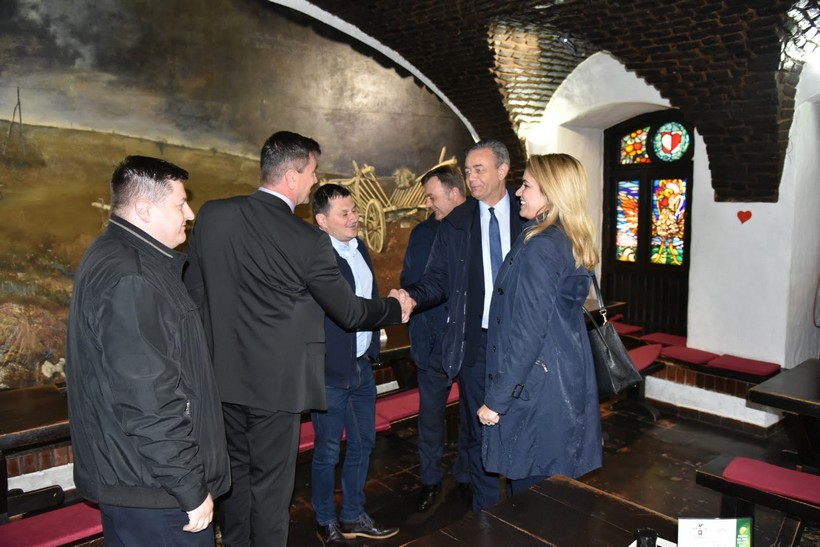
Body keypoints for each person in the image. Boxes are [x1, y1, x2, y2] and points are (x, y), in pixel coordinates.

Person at [183, 131, 409, 547]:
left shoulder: (213, 215)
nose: (314, 179)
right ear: (291, 176)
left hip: (221, 381)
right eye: (312, 171)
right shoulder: (306, 240)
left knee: (234, 483)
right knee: (271, 492)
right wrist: (395, 308)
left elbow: (193, 296)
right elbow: (349, 312)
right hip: (277, 387)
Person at [66, 155, 230, 546]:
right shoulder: (133, 277)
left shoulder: (118, 255)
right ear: (144, 209)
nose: (189, 214)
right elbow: (149, 400)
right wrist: (189, 487)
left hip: (139, 478)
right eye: (180, 204)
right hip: (157, 490)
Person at [401, 139, 523, 511]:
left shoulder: (529, 214)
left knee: (520, 425)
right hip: (477, 344)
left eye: (479, 169)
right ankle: (486, 513)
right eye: (468, 171)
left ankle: (524, 508)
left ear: (503, 170)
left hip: (523, 342)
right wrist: (412, 297)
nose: (471, 178)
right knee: (478, 428)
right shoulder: (456, 222)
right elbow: (436, 278)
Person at [477, 153, 603, 496]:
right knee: (554, 494)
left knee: (532, 498)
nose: (518, 192)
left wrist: (497, 400)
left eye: (526, 185)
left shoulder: (542, 246)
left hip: (538, 389)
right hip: (563, 378)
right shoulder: (567, 238)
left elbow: (527, 334)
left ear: (551, 192)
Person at [310, 184, 400, 546]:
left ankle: (352, 515)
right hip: (331, 372)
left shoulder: (359, 246)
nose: (354, 218)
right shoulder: (317, 258)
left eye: (355, 210)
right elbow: (346, 311)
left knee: (364, 443)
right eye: (344, 213)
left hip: (361, 365)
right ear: (322, 220)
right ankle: (324, 520)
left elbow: (367, 298)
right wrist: (392, 309)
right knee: (328, 451)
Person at [400, 165, 470, 512]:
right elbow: (411, 280)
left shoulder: (477, 229)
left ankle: (468, 477)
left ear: (454, 193)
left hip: (469, 343)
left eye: (432, 197)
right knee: (429, 419)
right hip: (431, 342)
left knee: (474, 416)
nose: (427, 204)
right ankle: (430, 481)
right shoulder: (422, 233)